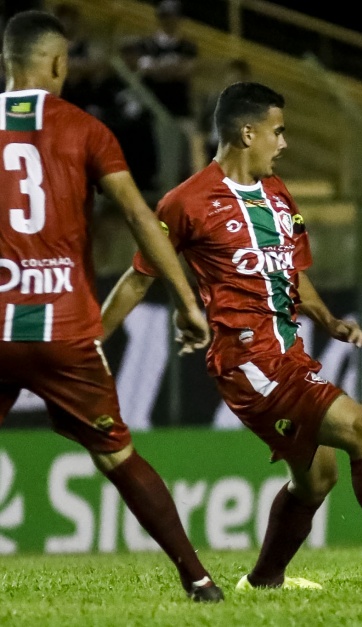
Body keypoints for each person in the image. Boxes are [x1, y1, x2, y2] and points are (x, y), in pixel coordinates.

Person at [99, 81, 362, 593]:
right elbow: (137, 277)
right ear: (247, 133)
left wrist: (328, 320)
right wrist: (93, 340)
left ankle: (263, 581)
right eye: (277, 132)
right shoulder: (187, 201)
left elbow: (292, 272)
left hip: (288, 352)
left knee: (318, 478)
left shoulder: (278, 194)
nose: (283, 144)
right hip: (246, 361)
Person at [0, 10, 222, 602]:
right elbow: (139, 219)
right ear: (57, 63)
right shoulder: (86, 129)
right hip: (65, 327)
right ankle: (198, 579)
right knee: (117, 454)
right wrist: (186, 299)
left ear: (6, 62)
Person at [134, 0, 198, 179]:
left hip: (181, 110)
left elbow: (186, 71)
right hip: (154, 109)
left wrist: (159, 69)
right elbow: (146, 70)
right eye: (165, 16)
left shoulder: (187, 46)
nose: (169, 21)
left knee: (192, 152)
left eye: (173, 16)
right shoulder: (146, 44)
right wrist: (172, 68)